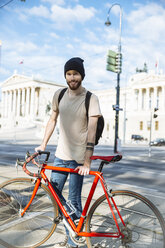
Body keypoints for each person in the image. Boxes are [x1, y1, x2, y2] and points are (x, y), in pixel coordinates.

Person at [35, 57, 101, 248]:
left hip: (78, 159)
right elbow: (52, 120)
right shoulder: (59, 94)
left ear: (82, 75)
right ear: (65, 75)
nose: (72, 78)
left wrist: (86, 163)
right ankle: (70, 232)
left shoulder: (91, 99)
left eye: (76, 74)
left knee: (73, 201)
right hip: (60, 156)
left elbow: (91, 131)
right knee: (56, 197)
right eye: (69, 74)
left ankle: (75, 242)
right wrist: (43, 145)